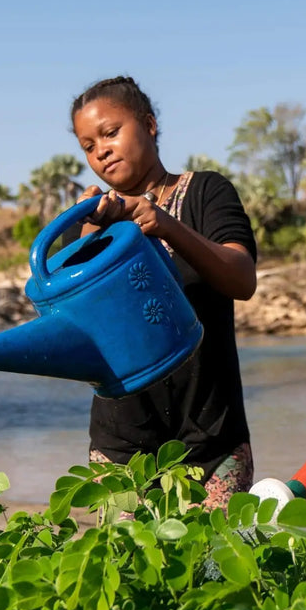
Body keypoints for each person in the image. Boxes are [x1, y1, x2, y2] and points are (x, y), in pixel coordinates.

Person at [69, 76, 257, 508]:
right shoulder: (89, 223)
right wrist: (86, 235)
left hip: (212, 440)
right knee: (129, 573)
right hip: (120, 447)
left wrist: (167, 225)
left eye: (111, 132)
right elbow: (74, 326)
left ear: (150, 125)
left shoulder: (206, 193)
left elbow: (242, 279)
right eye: (88, 144)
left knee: (218, 571)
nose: (101, 150)